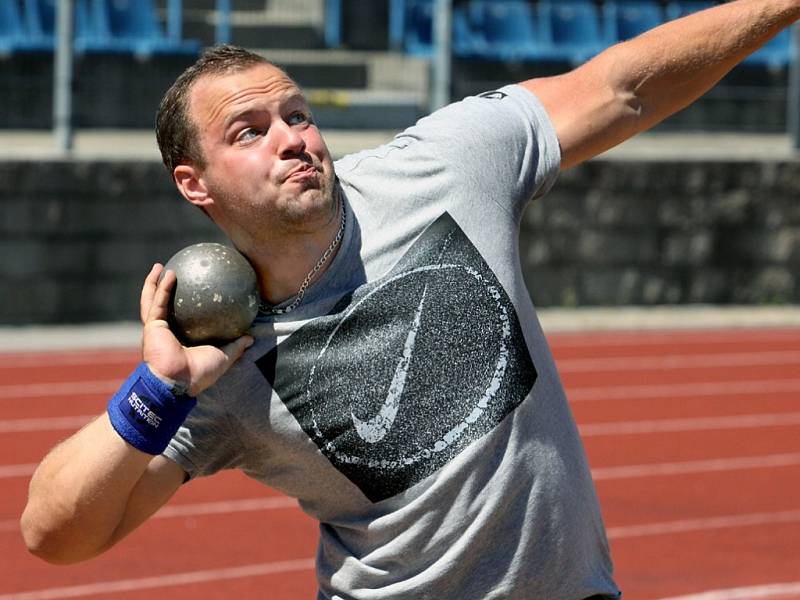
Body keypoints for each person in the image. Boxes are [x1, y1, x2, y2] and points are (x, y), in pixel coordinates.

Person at [20, 1, 800, 598]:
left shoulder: (444, 168)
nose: (292, 137)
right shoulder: (221, 357)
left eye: (297, 113)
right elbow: (55, 536)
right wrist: (156, 390)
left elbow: (622, 89)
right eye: (248, 131)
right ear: (194, 183)